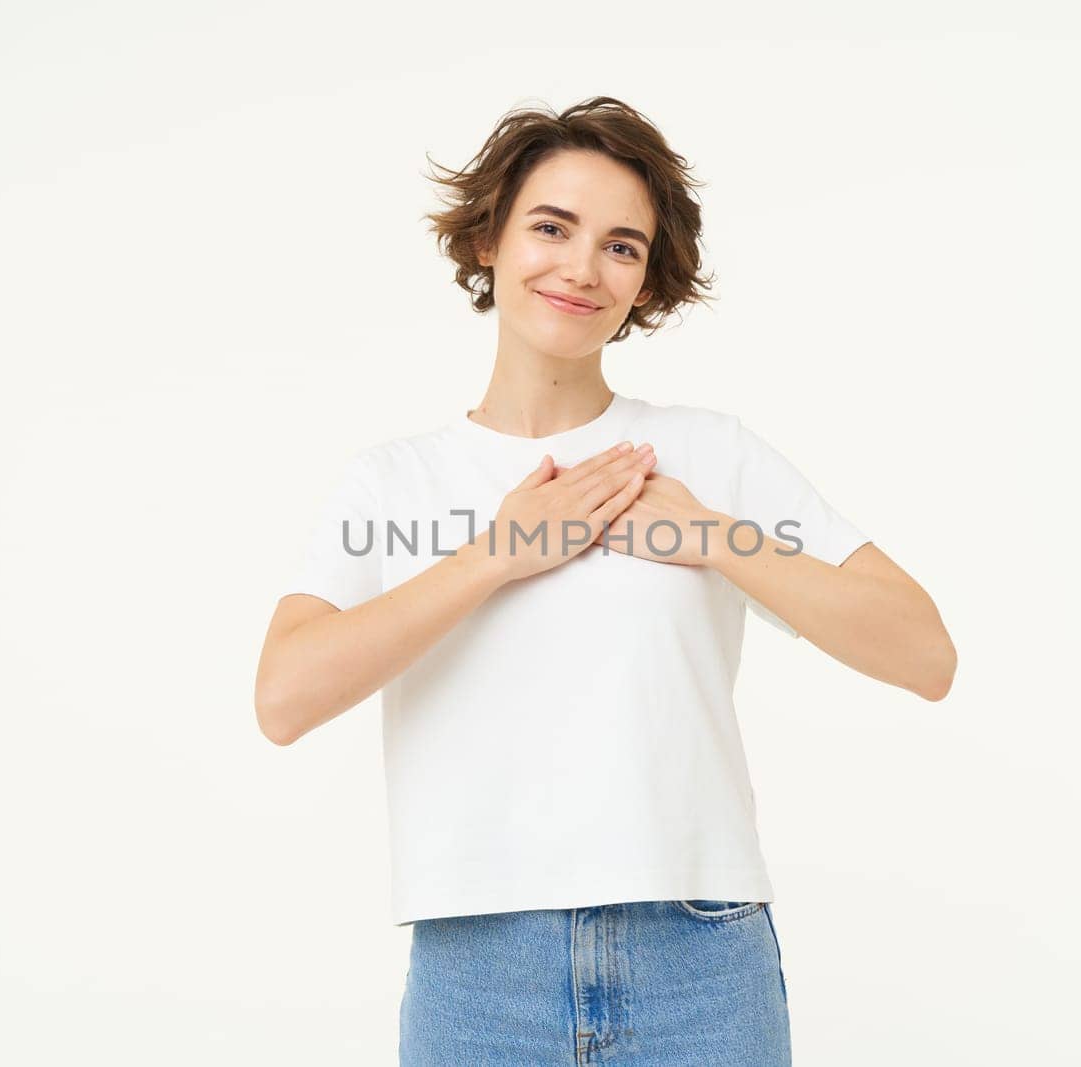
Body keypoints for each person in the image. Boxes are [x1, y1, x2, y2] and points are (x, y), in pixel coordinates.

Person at [254, 96, 956, 1066]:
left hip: (697, 956)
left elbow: (923, 650)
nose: (582, 267)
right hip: (478, 967)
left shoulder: (707, 454)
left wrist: (708, 531)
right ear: (489, 237)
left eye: (621, 245)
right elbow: (285, 695)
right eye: (552, 227)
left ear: (646, 279)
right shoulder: (394, 480)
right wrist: (500, 551)